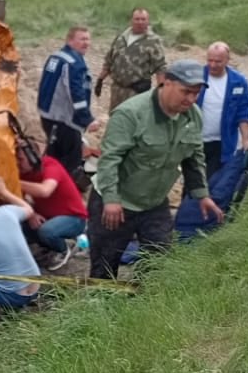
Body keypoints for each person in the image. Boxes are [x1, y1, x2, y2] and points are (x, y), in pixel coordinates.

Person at [88, 59, 224, 279]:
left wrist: (202, 195)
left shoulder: (193, 115)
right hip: (116, 201)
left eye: (196, 93)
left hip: (153, 202)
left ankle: (143, 306)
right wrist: (111, 200)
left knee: (158, 260)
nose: (191, 99)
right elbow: (109, 159)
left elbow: (194, 156)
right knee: (104, 265)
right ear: (166, 83)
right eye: (186, 91)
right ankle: (99, 308)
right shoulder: (131, 114)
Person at [0, 140, 88, 270]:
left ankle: (64, 248)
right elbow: (19, 198)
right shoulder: (21, 172)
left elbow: (44, 190)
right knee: (17, 223)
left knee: (47, 231)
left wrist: (11, 183)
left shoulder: (51, 166)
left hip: (73, 218)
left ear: (33, 157)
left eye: (21, 159)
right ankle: (48, 247)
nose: (17, 162)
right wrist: (31, 214)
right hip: (47, 216)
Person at [37, 26, 94, 181]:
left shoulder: (56, 57)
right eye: (82, 39)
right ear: (70, 40)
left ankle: (48, 182)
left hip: (48, 115)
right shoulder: (74, 63)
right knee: (69, 160)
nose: (86, 43)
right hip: (63, 120)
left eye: (88, 39)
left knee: (53, 154)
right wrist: (87, 120)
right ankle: (64, 187)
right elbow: (76, 94)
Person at [197, 41, 248, 178]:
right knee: (193, 181)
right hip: (195, 141)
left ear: (228, 60)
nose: (213, 65)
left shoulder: (238, 82)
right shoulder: (196, 77)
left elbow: (244, 111)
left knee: (213, 180)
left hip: (222, 143)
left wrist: (246, 139)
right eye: (210, 60)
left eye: (218, 61)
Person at [96, 8, 166, 112]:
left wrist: (161, 91)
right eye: (137, 19)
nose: (140, 22)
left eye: (143, 19)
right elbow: (109, 60)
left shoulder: (153, 41)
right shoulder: (121, 37)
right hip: (117, 89)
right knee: (116, 118)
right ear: (131, 20)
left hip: (137, 91)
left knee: (134, 120)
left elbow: (160, 67)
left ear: (148, 21)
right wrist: (100, 79)